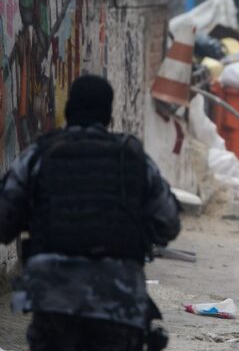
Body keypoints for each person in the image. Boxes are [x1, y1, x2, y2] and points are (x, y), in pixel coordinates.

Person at [0, 75, 182, 351]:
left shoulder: (39, 155)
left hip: (54, 300)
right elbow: (169, 222)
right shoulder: (133, 158)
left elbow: (4, 219)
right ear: (108, 114)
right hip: (118, 302)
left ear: (70, 109)